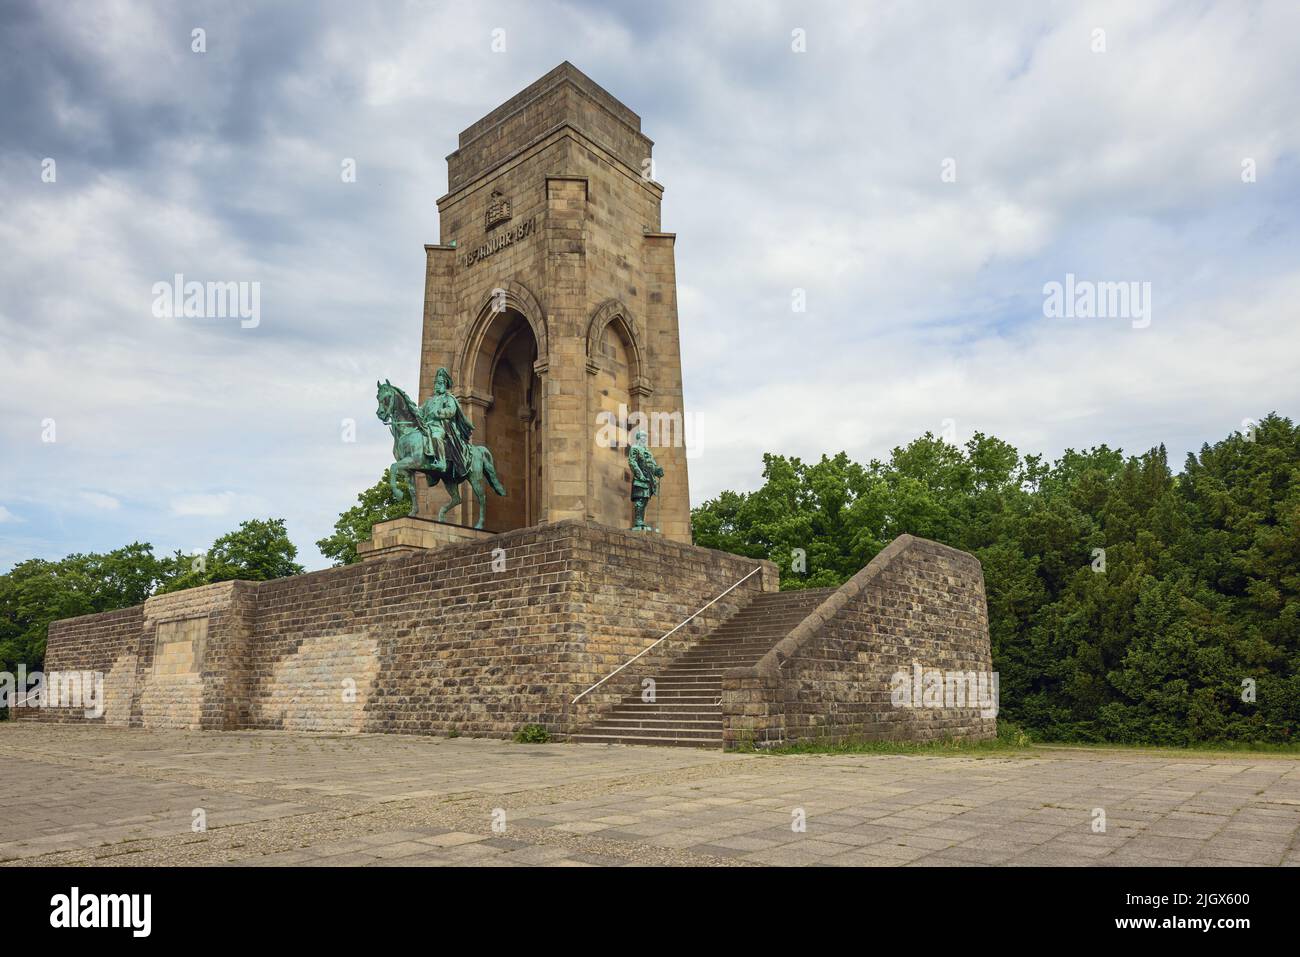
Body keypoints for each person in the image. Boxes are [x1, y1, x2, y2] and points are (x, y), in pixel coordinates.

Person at [419, 367, 473, 477]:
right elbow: (420, 411)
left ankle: (442, 462)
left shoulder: (449, 398)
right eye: (436, 383)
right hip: (427, 426)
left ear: (445, 384)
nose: (437, 385)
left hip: (441, 426)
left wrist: (439, 413)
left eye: (439, 383)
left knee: (436, 437)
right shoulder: (429, 401)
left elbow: (451, 411)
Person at [627, 429, 664, 531]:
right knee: (640, 499)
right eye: (643, 436)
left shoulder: (648, 452)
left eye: (645, 437)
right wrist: (640, 475)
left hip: (649, 480)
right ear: (638, 437)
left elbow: (653, 465)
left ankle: (641, 521)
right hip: (640, 478)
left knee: (645, 500)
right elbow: (632, 462)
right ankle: (638, 521)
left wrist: (658, 471)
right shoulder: (635, 448)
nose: (644, 439)